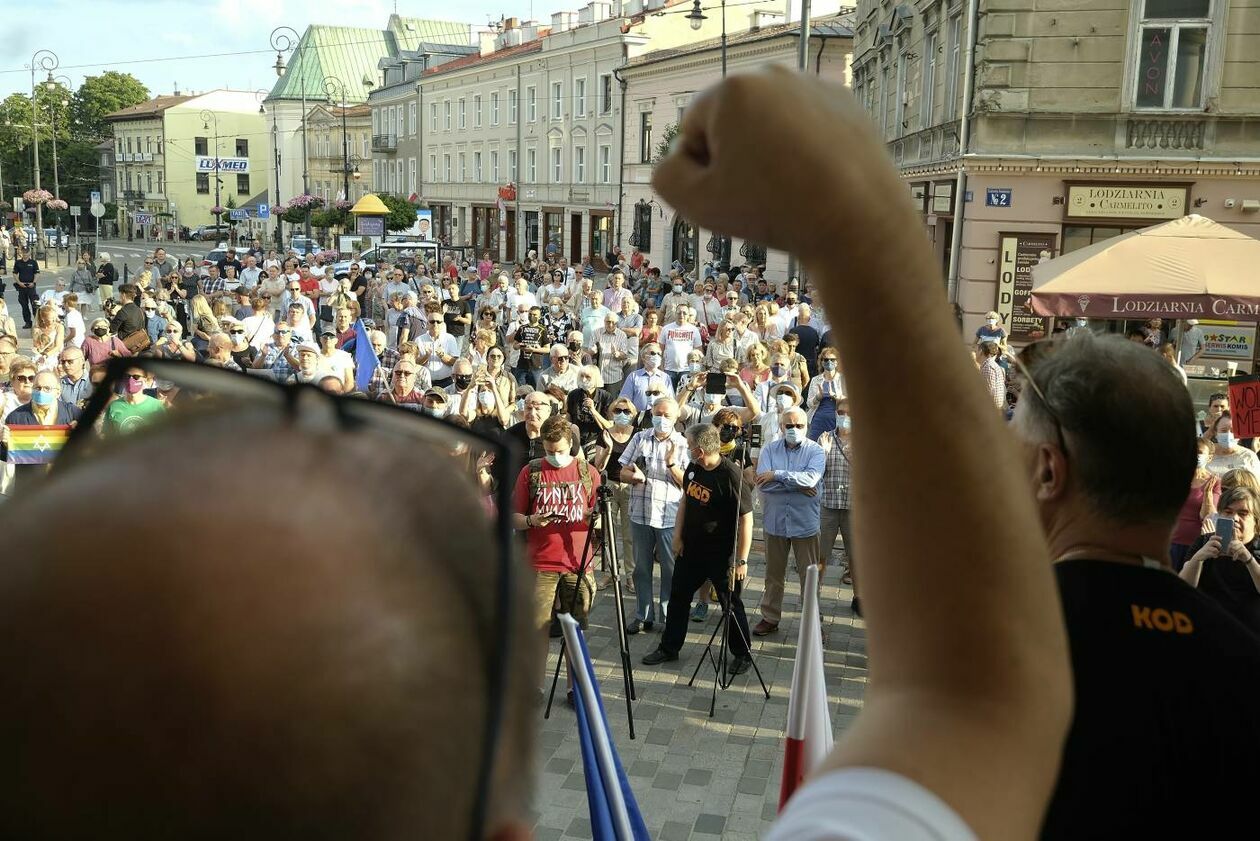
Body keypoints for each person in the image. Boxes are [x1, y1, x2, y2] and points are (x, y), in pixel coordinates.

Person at [641, 424, 754, 673]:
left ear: (700, 450)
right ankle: (669, 647)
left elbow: (746, 518)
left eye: (690, 446)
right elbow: (685, 501)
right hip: (691, 550)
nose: (687, 450)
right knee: (679, 597)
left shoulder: (731, 476)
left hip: (721, 554)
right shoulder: (694, 468)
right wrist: (678, 536)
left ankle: (742, 653)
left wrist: (741, 560)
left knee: (730, 604)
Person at [750, 407, 825, 635]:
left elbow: (811, 479)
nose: (793, 430)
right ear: (781, 427)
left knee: (809, 577)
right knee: (773, 574)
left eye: (798, 426)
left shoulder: (816, 451)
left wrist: (777, 475)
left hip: (805, 525)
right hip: (775, 523)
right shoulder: (769, 449)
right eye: (788, 426)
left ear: (806, 426)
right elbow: (763, 483)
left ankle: (812, 623)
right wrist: (798, 485)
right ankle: (770, 617)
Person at [618, 396, 687, 633]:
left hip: (669, 516)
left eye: (667, 415)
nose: (662, 419)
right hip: (640, 512)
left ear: (676, 417)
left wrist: (672, 465)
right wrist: (633, 476)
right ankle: (643, 615)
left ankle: (667, 617)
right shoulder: (639, 437)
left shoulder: (682, 443)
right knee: (641, 567)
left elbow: (687, 483)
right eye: (658, 413)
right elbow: (622, 472)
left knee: (670, 568)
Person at [1178, 486, 1260, 636]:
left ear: (1256, 521)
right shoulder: (1205, 541)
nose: (1234, 519)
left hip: (1248, 633)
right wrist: (1198, 559)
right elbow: (1183, 587)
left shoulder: (1257, 548)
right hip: (1209, 627)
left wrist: (1249, 560)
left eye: (1243, 514)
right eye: (1228, 512)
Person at [818, 401, 858, 613]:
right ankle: (814, 596)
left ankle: (859, 598)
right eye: (840, 412)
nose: (844, 416)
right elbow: (817, 474)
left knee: (856, 557)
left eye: (849, 413)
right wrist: (822, 454)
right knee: (821, 554)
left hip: (854, 508)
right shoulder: (825, 438)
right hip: (829, 505)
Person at [1170, 438, 1221, 571]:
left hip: (1197, 545)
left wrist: (1208, 494)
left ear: (1209, 457)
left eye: (1199, 452)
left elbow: (1208, 517)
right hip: (1173, 542)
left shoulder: (1214, 482)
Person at [101, 366, 165, 437]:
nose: (130, 380)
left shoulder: (156, 406)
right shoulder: (113, 406)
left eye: (136, 377)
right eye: (127, 376)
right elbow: (107, 436)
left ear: (145, 380)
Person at [619, 343, 676, 412]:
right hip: (637, 418)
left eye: (659, 354)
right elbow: (625, 399)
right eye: (653, 353)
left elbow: (670, 401)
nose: (656, 356)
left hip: (658, 417)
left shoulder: (665, 378)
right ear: (643, 357)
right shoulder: (634, 376)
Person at [1206, 412, 1260, 477]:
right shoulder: (1205, 454)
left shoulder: (1249, 456)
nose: (1229, 434)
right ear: (1216, 433)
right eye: (1223, 430)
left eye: (1233, 431)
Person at [12, 249, 39, 329]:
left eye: (26, 253)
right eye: (24, 253)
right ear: (21, 253)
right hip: (21, 286)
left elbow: (37, 273)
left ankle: (37, 321)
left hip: (31, 286)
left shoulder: (33, 262)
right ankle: (28, 322)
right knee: (24, 305)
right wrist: (19, 282)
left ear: (29, 253)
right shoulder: (18, 263)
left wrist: (33, 283)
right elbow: (15, 273)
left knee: (35, 304)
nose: (25, 254)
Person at [976, 340, 1005, 409]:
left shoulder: (988, 367)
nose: (975, 353)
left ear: (981, 351)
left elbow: (986, 393)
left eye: (976, 351)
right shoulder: (990, 365)